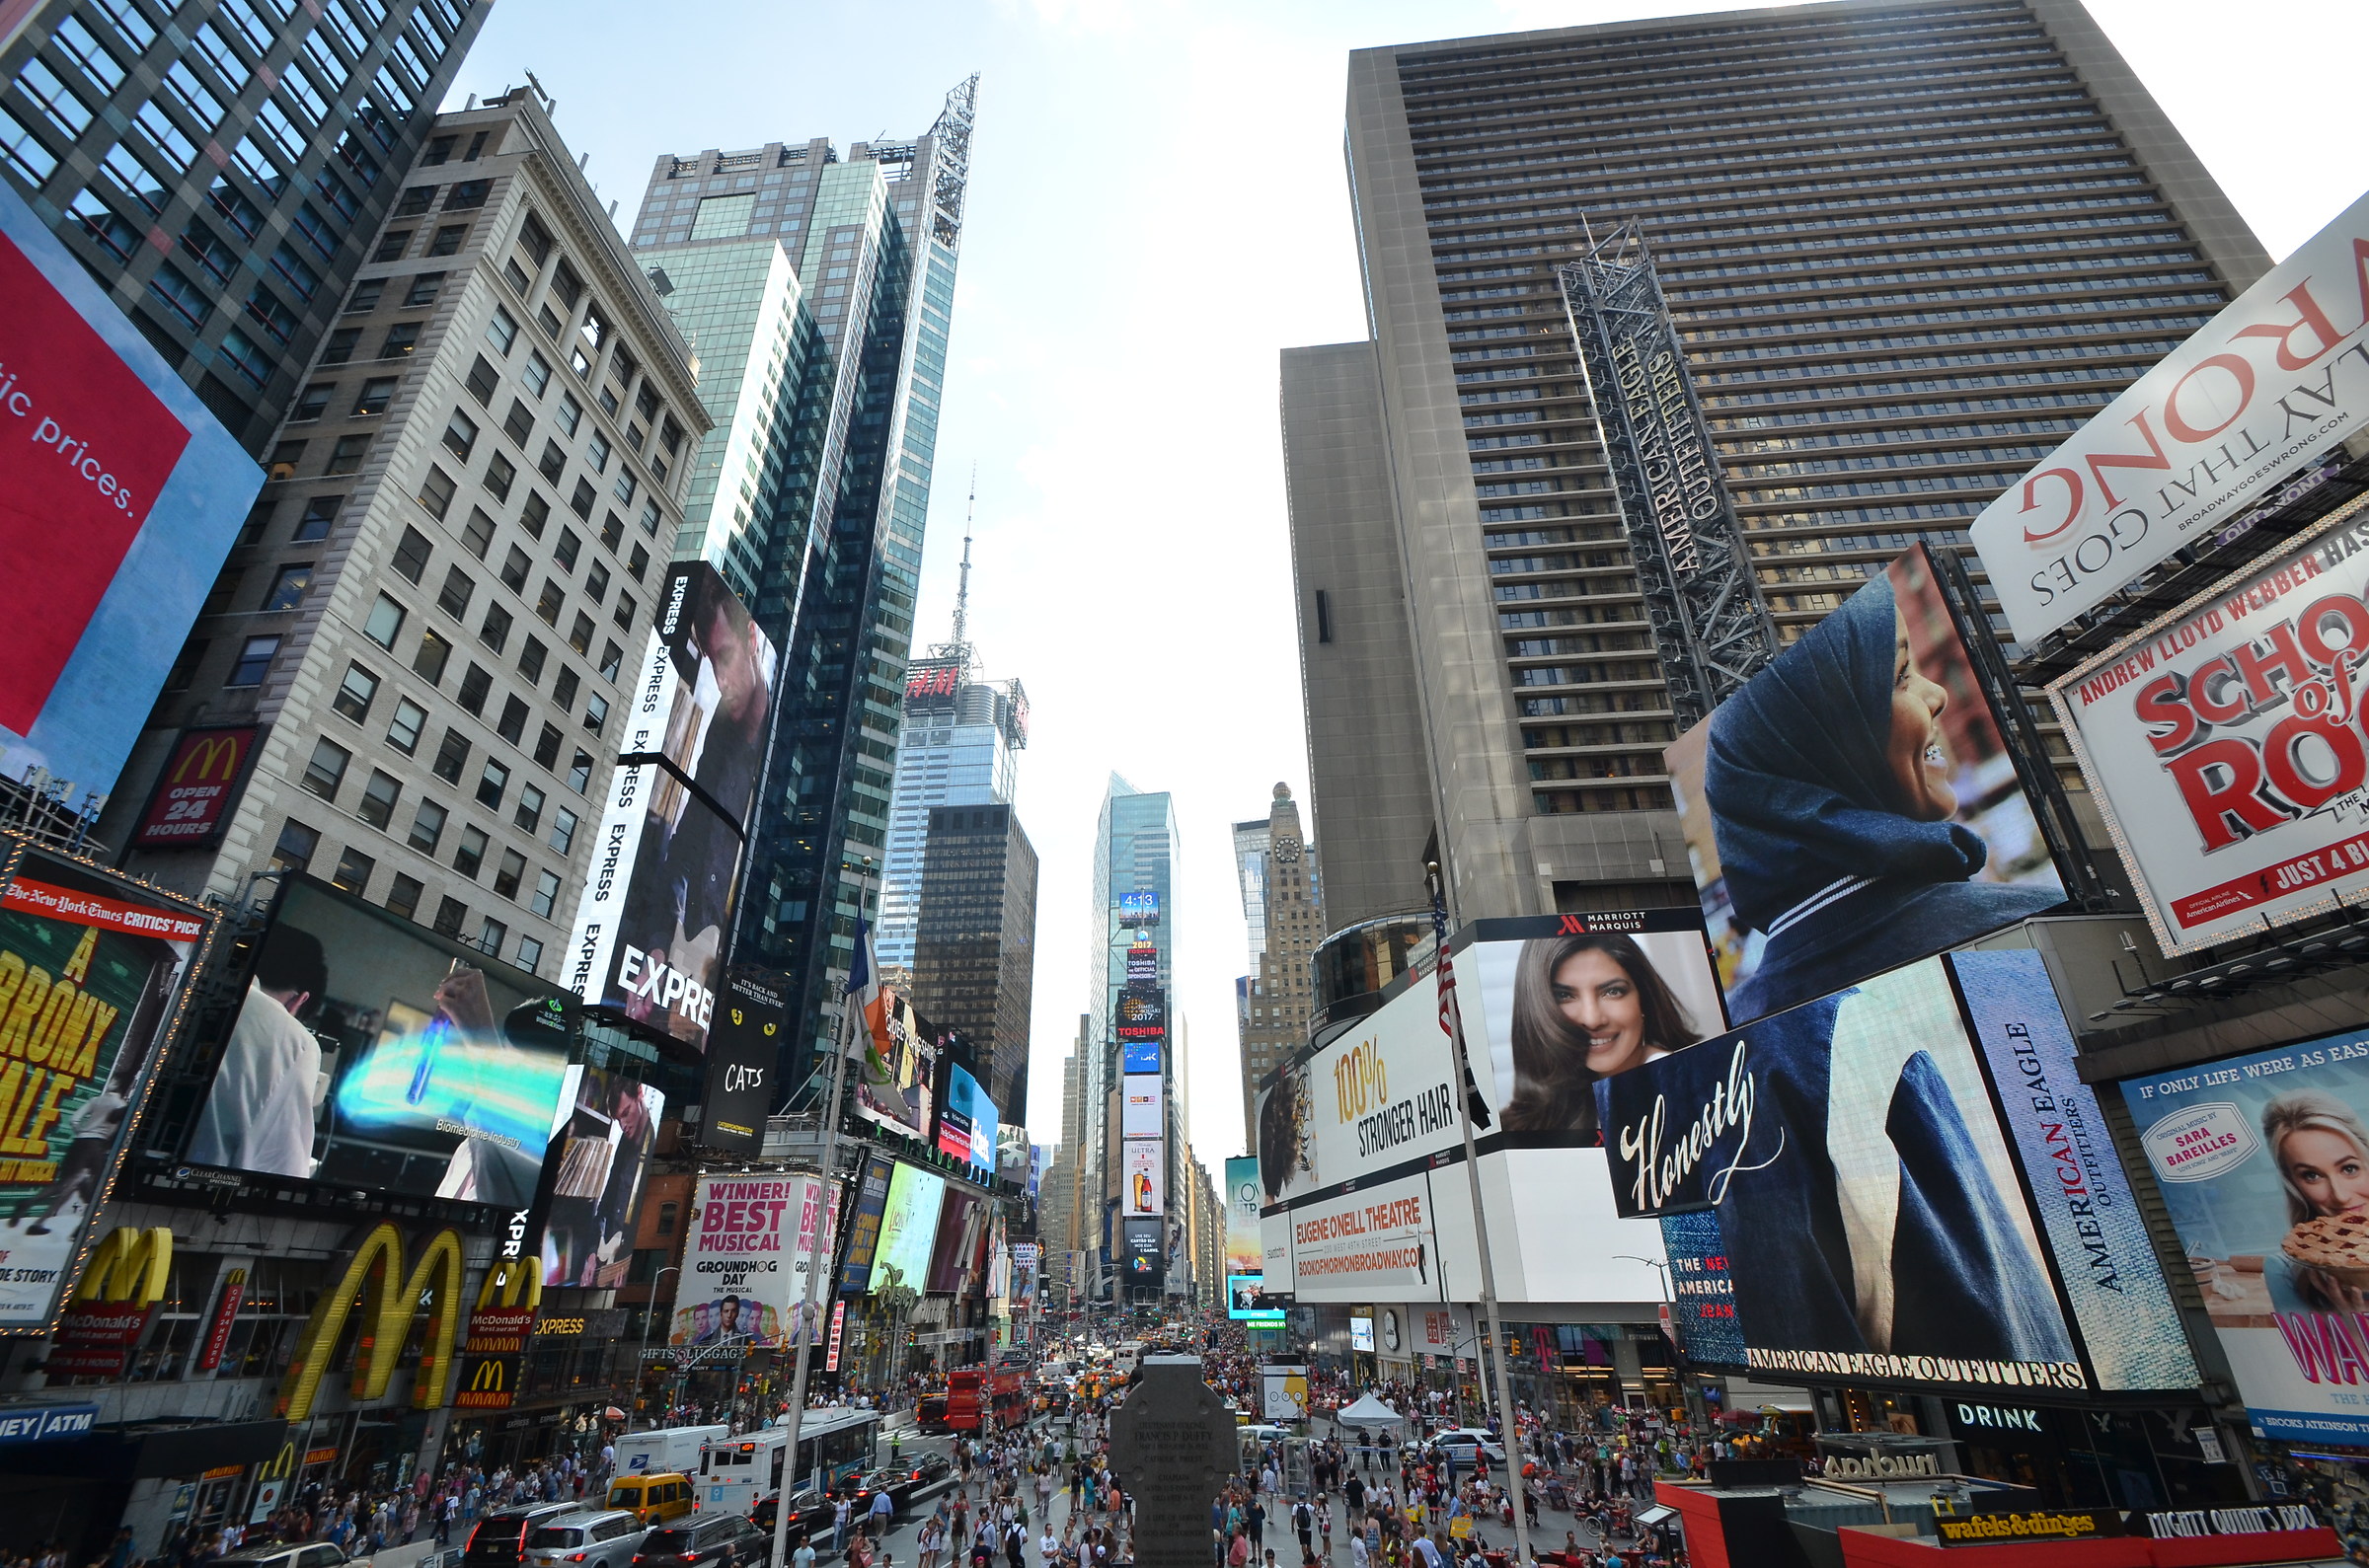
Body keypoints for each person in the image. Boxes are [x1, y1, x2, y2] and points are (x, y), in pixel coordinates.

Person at [1700, 563, 2060, 1023]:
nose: (1938, 695)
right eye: (1900, 675)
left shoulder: (1740, 1029)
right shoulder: (2029, 931)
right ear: (1826, 744)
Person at [1501, 934, 1700, 1137]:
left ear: (1644, 999)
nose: (1593, 1019)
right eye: (1564, 995)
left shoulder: (1683, 1090)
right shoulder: (1524, 1121)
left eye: (1613, 991)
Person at [185, 926, 327, 1177]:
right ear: (299, 1001)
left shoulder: (192, 977)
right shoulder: (296, 1040)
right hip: (193, 1179)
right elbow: (282, 1167)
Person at [2263, 1089, 2369, 1310]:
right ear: (2293, 1183)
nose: (2340, 1196)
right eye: (2312, 1175)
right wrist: (2355, 1324)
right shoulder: (2285, 1270)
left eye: (2349, 1169)